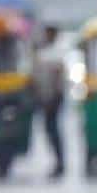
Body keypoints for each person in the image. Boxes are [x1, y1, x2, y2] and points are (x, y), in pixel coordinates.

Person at [35, 25, 67, 179]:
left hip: (53, 100)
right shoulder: (44, 51)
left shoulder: (57, 53)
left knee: (54, 132)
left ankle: (60, 163)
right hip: (45, 98)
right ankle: (58, 163)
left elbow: (57, 82)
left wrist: (52, 99)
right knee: (50, 131)